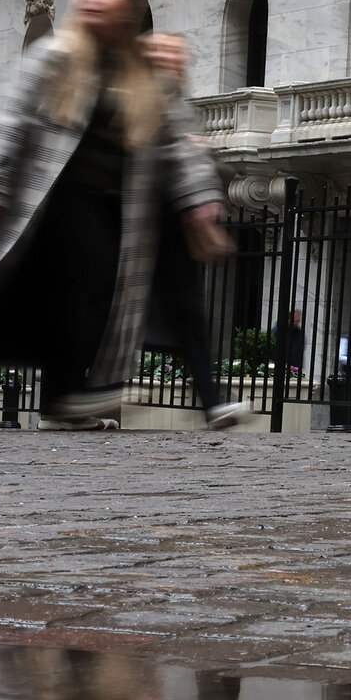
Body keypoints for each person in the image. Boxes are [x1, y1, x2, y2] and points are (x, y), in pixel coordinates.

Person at [0, 0, 227, 429]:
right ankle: (72, 395)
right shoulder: (53, 56)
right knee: (86, 280)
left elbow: (173, 140)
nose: (91, 0)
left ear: (126, 8)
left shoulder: (141, 70)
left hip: (119, 203)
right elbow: (14, 125)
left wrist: (199, 197)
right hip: (60, 194)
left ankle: (61, 404)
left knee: (94, 295)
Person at [137, 30, 245, 430]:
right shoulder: (143, 95)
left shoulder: (176, 101)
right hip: (135, 217)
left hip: (169, 216)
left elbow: (184, 156)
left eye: (175, 54)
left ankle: (212, 401)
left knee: (188, 312)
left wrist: (200, 195)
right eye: (160, 52)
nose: (169, 59)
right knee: (116, 310)